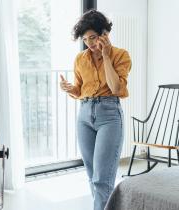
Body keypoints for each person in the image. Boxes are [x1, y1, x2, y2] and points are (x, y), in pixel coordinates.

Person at [59, 9, 132, 210]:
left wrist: (106, 56)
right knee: (92, 176)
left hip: (109, 115)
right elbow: (80, 88)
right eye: (85, 39)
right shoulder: (80, 59)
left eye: (93, 37)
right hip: (84, 114)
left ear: (104, 34)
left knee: (102, 178)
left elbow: (116, 88)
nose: (90, 43)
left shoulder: (120, 55)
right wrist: (70, 89)